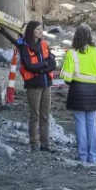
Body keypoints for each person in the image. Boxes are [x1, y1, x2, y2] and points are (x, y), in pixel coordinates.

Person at [60, 24, 96, 165]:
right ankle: (92, 157)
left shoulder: (71, 53)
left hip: (77, 93)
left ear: (76, 36)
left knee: (80, 124)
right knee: (92, 124)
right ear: (90, 36)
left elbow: (67, 79)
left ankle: (82, 157)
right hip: (94, 93)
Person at [15, 20, 56, 151]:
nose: (40, 31)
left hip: (46, 83)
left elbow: (53, 63)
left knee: (45, 116)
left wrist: (42, 68)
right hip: (34, 85)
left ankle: (45, 144)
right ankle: (34, 143)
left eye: (41, 29)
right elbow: (29, 66)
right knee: (35, 116)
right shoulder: (24, 46)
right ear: (32, 31)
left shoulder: (44, 44)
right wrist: (45, 64)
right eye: (38, 29)